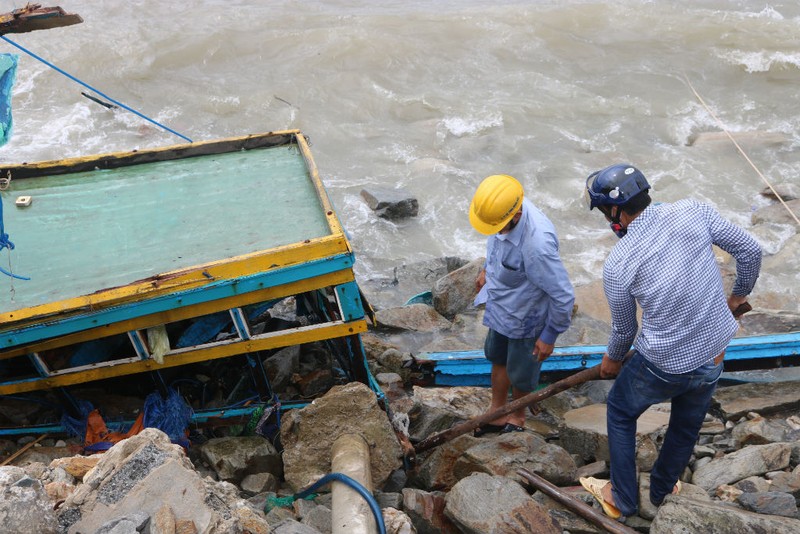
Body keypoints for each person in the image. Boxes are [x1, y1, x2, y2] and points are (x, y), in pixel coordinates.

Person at [579, 163, 762, 519]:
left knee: (619, 411)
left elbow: (623, 330)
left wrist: (612, 360)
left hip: (664, 364)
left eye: (605, 212)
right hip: (714, 351)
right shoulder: (694, 210)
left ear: (616, 211)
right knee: (686, 422)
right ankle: (663, 490)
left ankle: (624, 498)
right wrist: (738, 297)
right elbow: (751, 252)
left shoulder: (619, 262)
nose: (607, 219)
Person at [469, 174, 574, 435]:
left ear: (515, 216)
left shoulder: (537, 246)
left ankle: (517, 416)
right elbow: (497, 244)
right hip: (503, 305)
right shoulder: (501, 214)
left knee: (521, 371)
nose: (493, 231)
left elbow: (563, 295)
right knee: (497, 357)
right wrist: (486, 269)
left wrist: (549, 335)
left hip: (528, 316)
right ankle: (497, 410)